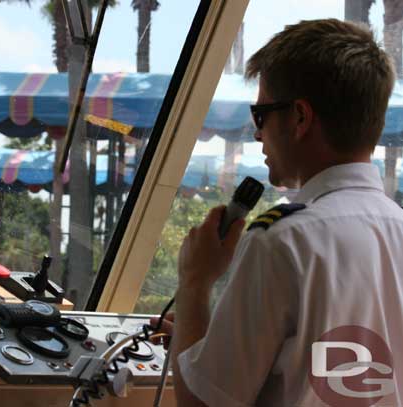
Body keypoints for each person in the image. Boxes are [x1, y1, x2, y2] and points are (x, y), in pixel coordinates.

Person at [151, 19, 403, 406]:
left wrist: (195, 280)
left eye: (261, 114)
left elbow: (201, 404)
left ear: (300, 118)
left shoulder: (283, 241)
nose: (257, 133)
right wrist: (202, 341)